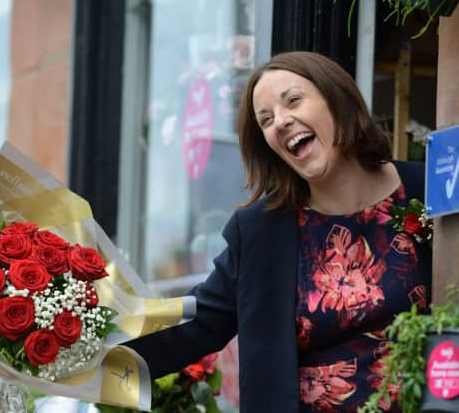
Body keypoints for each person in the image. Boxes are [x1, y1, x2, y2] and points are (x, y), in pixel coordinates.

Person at [126, 51, 432, 412]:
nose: (281, 122)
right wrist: (82, 343)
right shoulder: (260, 231)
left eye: (293, 101)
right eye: (266, 120)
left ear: (337, 98)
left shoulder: (431, 189)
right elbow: (193, 327)